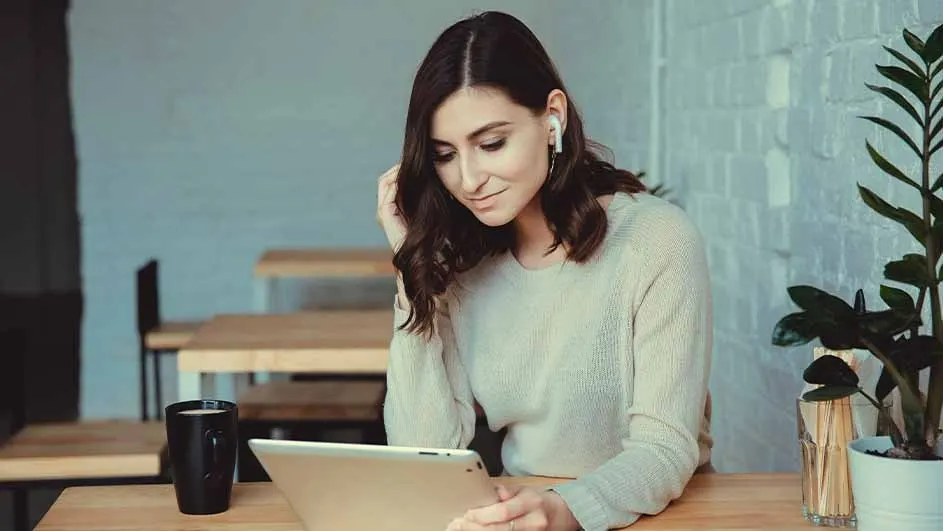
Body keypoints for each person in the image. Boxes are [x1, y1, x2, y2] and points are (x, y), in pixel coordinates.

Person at [376, 10, 713, 531]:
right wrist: (410, 272)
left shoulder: (655, 240)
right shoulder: (463, 266)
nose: (468, 179)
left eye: (491, 144)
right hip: (525, 515)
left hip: (658, 515)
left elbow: (666, 448)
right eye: (445, 155)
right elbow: (423, 455)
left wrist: (566, 508)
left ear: (551, 116)